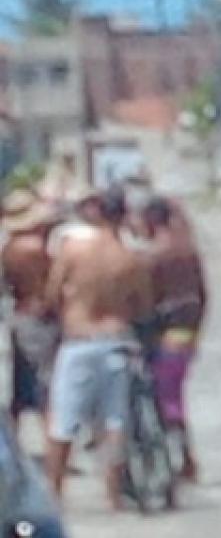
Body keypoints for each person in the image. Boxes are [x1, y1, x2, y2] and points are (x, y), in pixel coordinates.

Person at [43, 188, 154, 509]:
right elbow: (143, 305)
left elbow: (52, 294)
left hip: (80, 339)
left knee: (63, 420)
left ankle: (54, 491)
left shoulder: (74, 250)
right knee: (114, 421)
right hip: (117, 341)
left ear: (97, 213)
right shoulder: (130, 258)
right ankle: (113, 495)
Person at [143, 198, 207, 482]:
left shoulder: (154, 255)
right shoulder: (188, 250)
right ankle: (184, 458)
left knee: (167, 402)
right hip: (187, 333)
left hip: (165, 334)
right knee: (174, 398)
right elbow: (203, 295)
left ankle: (184, 459)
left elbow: (146, 299)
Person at [1, 190, 63, 438]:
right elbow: (53, 284)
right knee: (47, 386)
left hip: (21, 314)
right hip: (40, 318)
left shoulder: (10, 249)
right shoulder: (36, 249)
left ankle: (13, 443)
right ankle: (52, 440)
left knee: (22, 384)